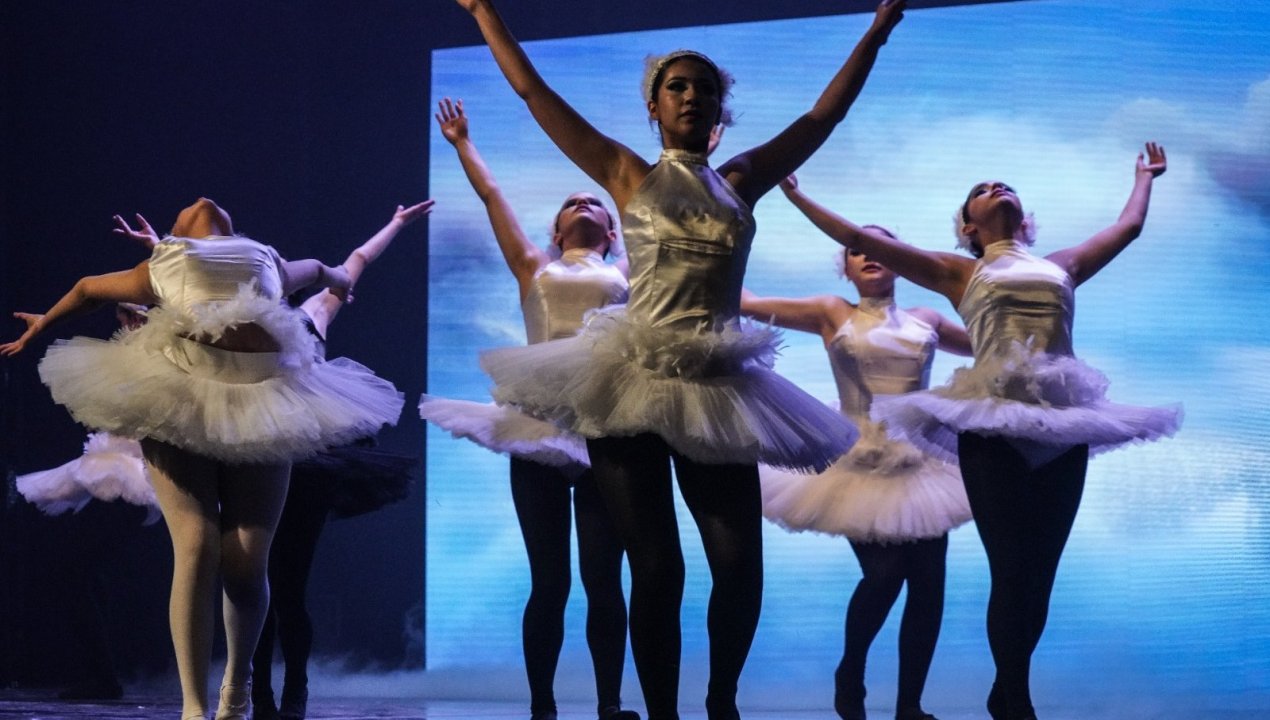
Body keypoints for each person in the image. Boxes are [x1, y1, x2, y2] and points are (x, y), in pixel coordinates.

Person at [451, 2, 907, 718]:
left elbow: (822, 118)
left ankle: (721, 700)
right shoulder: (626, 173)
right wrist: (484, 12)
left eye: (705, 88)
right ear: (655, 107)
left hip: (717, 384)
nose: (692, 96)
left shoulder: (741, 179)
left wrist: (874, 34)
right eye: (678, 87)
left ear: (721, 110)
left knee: (739, 567)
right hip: (629, 379)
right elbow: (535, 93)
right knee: (656, 566)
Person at [781, 144, 1180, 720]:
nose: (996, 186)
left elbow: (1129, 228)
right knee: (1010, 568)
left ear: (1025, 217)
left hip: (1063, 424)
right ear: (969, 226)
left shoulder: (1061, 266)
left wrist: (1144, 178)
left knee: (1040, 576)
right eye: (982, 189)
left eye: (1003, 183)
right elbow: (858, 237)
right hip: (991, 426)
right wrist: (795, 194)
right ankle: (1015, 699)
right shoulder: (959, 271)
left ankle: (1006, 686)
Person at [2, 197, 405, 720]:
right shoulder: (167, 260)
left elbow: (336, 270)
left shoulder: (266, 258)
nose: (203, 204)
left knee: (246, 563)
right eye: (188, 213)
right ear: (178, 233)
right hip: (181, 397)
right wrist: (44, 323)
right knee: (195, 545)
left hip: (261, 404)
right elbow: (87, 290)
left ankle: (237, 685)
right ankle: (194, 706)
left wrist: (349, 276)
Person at [419, 98, 638, 720]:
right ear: (556, 231)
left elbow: (655, 216)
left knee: (603, 577)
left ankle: (609, 705)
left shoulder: (627, 270)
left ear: (613, 230)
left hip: (605, 424)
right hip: (539, 425)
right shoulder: (534, 267)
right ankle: (542, 706)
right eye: (572, 203)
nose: (583, 203)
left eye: (593, 201)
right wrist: (463, 143)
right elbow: (493, 198)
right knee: (550, 579)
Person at [740, 175, 972, 720]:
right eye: (855, 249)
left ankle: (910, 706)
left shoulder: (927, 320)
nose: (868, 253)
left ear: (901, 263)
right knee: (885, 575)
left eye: (881, 246)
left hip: (923, 463)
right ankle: (851, 670)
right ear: (845, 268)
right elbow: (747, 302)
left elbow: (990, 340)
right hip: (857, 461)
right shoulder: (832, 312)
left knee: (929, 586)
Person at [246, 200, 431, 720]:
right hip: (251, 456)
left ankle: (295, 689)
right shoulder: (231, 323)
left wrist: (396, 223)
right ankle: (258, 693)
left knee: (288, 585)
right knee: (251, 581)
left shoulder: (311, 314)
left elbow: (356, 262)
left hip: (307, 464)